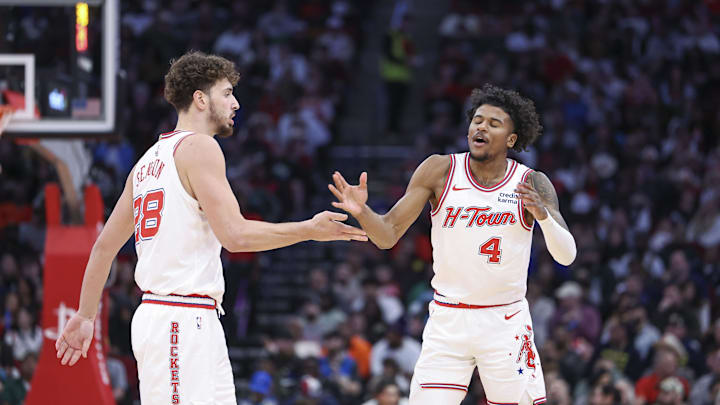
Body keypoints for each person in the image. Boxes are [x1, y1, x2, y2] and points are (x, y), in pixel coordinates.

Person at [54, 51, 367, 404]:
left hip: (185, 317)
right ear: (200, 99)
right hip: (179, 318)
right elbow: (234, 236)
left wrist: (85, 314)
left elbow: (103, 247)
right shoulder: (200, 147)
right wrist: (308, 229)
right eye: (227, 93)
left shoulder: (145, 163)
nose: (235, 103)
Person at [329, 84, 576, 405]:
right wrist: (362, 211)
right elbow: (387, 235)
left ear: (511, 140)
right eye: (477, 120)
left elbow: (567, 256)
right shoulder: (440, 170)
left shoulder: (530, 182)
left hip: (505, 321)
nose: (481, 126)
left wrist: (542, 216)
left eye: (494, 123)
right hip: (448, 319)